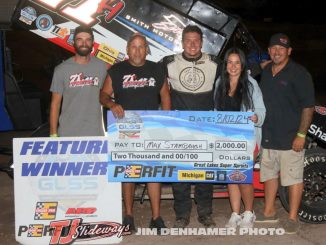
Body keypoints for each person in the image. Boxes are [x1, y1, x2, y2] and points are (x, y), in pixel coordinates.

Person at [99, 33, 171, 233]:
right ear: (128, 48)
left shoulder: (156, 69)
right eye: (134, 46)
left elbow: (165, 96)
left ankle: (156, 217)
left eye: (142, 46)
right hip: (125, 128)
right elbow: (103, 95)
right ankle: (128, 215)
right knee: (127, 172)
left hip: (151, 127)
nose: (138, 50)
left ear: (147, 49)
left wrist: (165, 122)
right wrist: (111, 103)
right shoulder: (116, 70)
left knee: (153, 171)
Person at [160, 25, 220, 228]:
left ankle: (205, 212)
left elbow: (234, 79)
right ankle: (182, 214)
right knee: (181, 172)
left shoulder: (215, 63)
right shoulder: (168, 62)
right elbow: (153, 86)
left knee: (205, 172)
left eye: (196, 40)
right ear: (182, 42)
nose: (192, 44)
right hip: (179, 127)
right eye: (188, 40)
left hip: (206, 127)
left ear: (202, 42)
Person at [256, 33, 315, 234]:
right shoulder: (265, 71)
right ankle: (269, 210)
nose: (277, 51)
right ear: (269, 51)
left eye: (281, 48)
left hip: (291, 138)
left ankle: (292, 217)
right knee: (269, 175)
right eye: (273, 48)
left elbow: (308, 107)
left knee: (293, 178)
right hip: (268, 135)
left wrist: (301, 135)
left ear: (289, 51)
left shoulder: (299, 74)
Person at [214, 47, 266, 228]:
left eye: (237, 63)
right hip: (227, 139)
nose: (233, 66)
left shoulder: (251, 84)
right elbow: (216, 110)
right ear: (225, 64)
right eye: (230, 62)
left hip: (247, 139)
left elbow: (261, 111)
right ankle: (235, 214)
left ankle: (249, 213)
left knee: (242, 176)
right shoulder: (220, 82)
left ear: (242, 65)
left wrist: (256, 117)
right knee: (231, 177)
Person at [49, 25, 107, 137]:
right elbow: (55, 104)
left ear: (92, 43)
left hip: (95, 132)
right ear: (73, 42)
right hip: (68, 133)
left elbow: (108, 95)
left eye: (88, 40)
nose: (84, 43)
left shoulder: (101, 66)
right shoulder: (61, 69)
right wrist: (53, 134)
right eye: (79, 40)